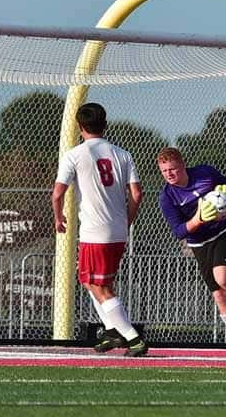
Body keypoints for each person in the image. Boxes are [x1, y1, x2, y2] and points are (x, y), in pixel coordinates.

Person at [51, 102, 147, 357]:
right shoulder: (123, 154)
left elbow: (58, 193)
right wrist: (127, 220)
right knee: (88, 280)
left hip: (95, 232)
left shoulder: (74, 155)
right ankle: (112, 329)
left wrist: (58, 218)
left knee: (101, 287)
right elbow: (137, 193)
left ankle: (132, 337)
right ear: (105, 125)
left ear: (80, 127)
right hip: (117, 230)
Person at [156, 147, 226, 352]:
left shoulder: (204, 173)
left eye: (173, 169)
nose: (169, 174)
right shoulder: (167, 197)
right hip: (198, 242)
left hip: (223, 231)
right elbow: (179, 232)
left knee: (223, 277)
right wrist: (198, 219)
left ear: (183, 164)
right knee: (218, 293)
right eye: (164, 171)